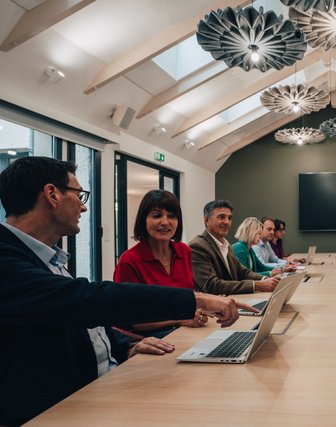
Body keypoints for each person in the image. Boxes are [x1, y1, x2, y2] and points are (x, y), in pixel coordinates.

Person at [0, 157, 254, 425]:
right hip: (60, 407)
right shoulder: (6, 260)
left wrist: (127, 346)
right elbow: (86, 300)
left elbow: (84, 322)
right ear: (52, 194)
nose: (84, 207)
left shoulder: (44, 256)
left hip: (103, 383)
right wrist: (195, 299)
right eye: (79, 195)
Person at [114, 190, 207, 338]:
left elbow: (187, 295)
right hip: (149, 340)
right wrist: (180, 320)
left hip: (184, 331)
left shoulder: (184, 251)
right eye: (156, 216)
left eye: (171, 216)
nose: (165, 222)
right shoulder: (129, 261)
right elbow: (133, 321)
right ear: (143, 220)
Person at [189, 200, 280, 295]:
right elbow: (211, 285)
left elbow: (243, 272)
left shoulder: (227, 246)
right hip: (212, 307)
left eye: (229, 218)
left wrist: (266, 279)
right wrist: (257, 285)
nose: (227, 222)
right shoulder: (197, 246)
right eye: (221, 217)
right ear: (206, 220)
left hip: (233, 300)